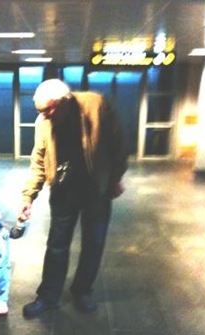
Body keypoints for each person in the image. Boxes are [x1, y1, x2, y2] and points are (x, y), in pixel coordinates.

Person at [17, 79, 128, 318]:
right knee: (57, 244)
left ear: (64, 101)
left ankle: (82, 291)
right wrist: (29, 197)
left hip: (95, 188)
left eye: (48, 110)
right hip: (63, 189)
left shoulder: (97, 105)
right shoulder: (44, 122)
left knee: (94, 242)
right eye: (40, 111)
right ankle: (47, 296)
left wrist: (115, 177)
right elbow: (38, 159)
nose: (44, 116)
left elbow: (119, 144)